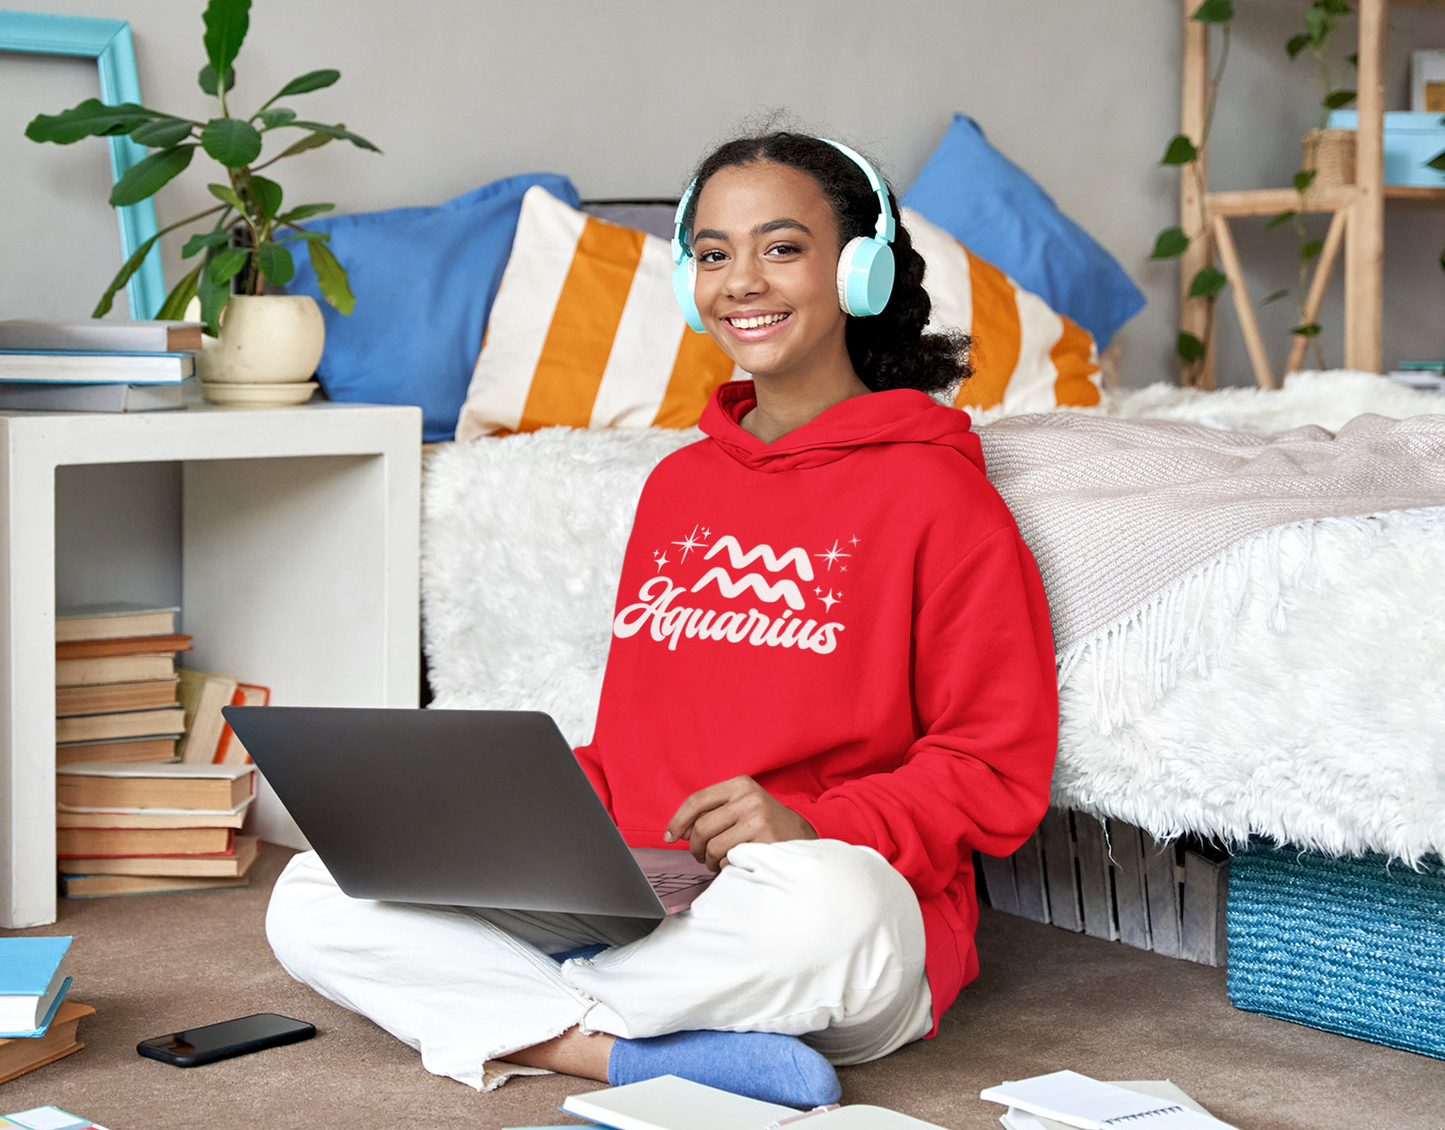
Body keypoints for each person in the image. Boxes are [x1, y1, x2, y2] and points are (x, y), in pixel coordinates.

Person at [265, 131, 1058, 1108]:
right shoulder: (678, 484)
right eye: (713, 253)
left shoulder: (939, 495)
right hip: (634, 902)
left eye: (779, 247)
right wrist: (543, 810)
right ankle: (618, 1050)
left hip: (804, 905)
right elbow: (645, 735)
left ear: (857, 269)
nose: (740, 282)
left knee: (833, 906)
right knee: (311, 893)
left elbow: (994, 768)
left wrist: (811, 820)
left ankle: (526, 1016)